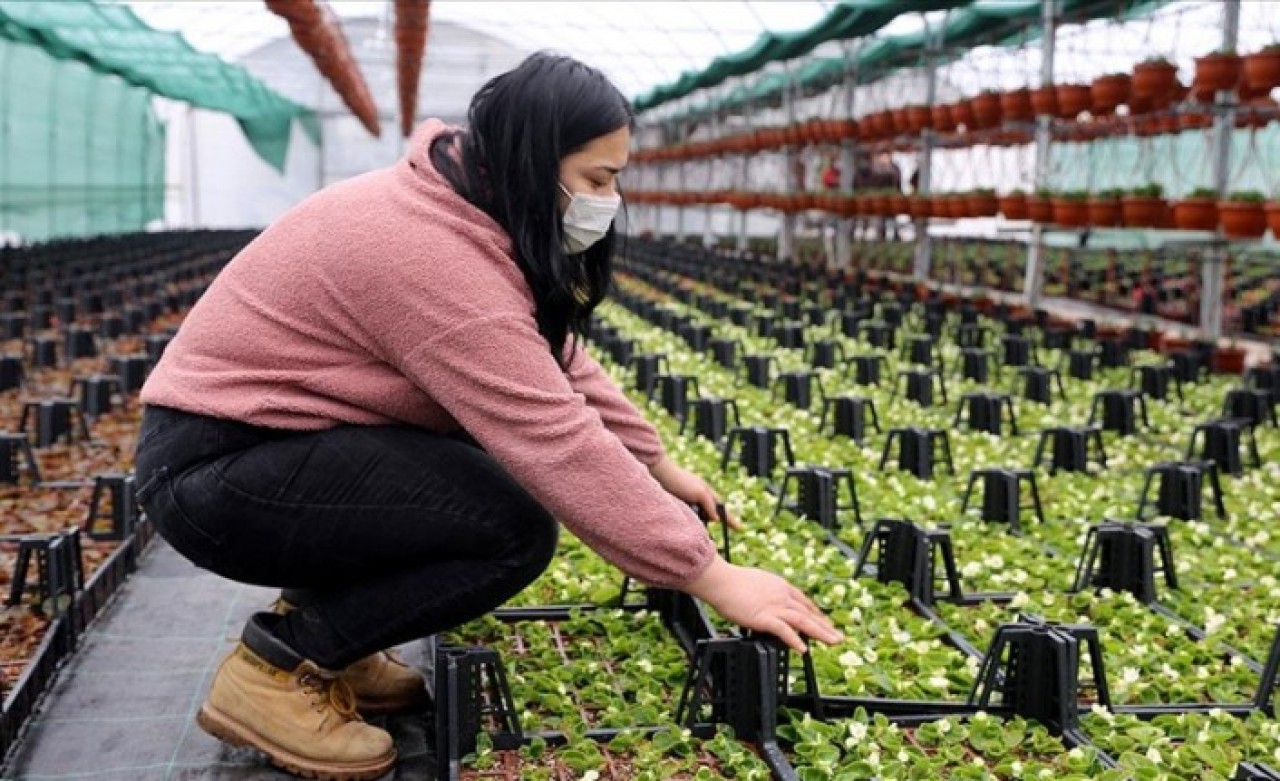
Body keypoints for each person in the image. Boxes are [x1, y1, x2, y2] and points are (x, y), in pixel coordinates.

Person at [133, 52, 842, 781]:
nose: (609, 200)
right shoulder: (426, 251)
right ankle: (276, 667)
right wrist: (710, 573)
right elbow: (550, 433)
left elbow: (550, 357)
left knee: (464, 481)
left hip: (264, 452)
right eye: (598, 179)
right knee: (509, 527)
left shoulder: (457, 208)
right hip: (216, 474)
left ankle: (327, 637)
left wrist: (655, 462)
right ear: (534, 160)